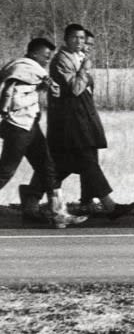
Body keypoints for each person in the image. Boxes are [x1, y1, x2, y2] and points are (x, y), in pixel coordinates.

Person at [29, 24, 132, 222]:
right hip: (71, 121)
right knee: (86, 161)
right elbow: (75, 89)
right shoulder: (61, 60)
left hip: (81, 118)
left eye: (82, 39)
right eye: (75, 38)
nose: (80, 42)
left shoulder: (79, 57)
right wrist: (85, 70)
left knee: (60, 165)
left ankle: (32, 199)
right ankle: (108, 205)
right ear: (66, 40)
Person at [0, 38, 84, 229]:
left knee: (47, 167)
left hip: (30, 126)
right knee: (5, 171)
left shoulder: (23, 69)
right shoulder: (25, 68)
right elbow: (13, 91)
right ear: (34, 54)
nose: (48, 60)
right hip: (19, 127)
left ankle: (58, 213)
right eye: (46, 56)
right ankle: (56, 212)